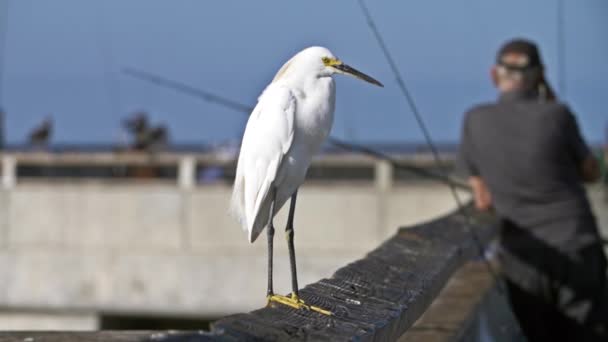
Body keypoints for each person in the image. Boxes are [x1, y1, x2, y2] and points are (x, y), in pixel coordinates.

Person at [458, 38, 607, 341]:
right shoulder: (557, 115)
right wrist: (547, 93)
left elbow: (483, 199)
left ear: (493, 75)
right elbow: (592, 172)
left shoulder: (475, 120)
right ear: (539, 75)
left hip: (522, 260)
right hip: (576, 246)